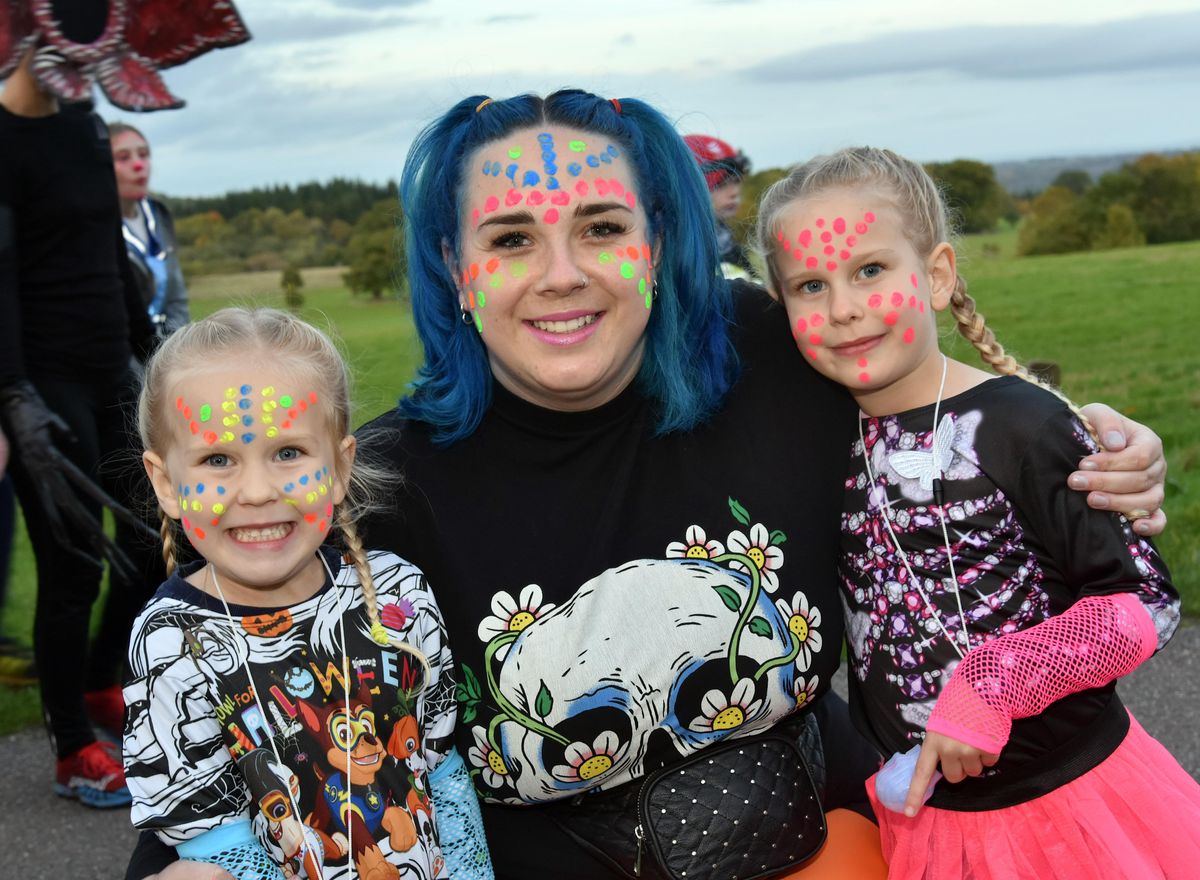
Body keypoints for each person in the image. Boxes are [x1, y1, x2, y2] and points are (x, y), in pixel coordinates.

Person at [127, 90, 1169, 880]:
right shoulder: (387, 494)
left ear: (660, 243)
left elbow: (952, 401)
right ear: (452, 264)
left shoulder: (775, 359)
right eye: (510, 239)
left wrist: (1096, 450)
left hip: (842, 844)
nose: (563, 272)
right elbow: (232, 714)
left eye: (602, 228)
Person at [754, 146, 1200, 878]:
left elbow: (1144, 604)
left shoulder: (1018, 423)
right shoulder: (820, 441)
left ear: (935, 275)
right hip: (931, 828)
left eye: (870, 270)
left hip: (1076, 812)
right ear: (782, 309)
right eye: (810, 284)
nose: (843, 308)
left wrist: (994, 682)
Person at [125, 307, 492, 880]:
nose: (256, 490)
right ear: (166, 482)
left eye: (288, 453)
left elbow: (443, 778)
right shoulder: (172, 645)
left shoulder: (397, 596)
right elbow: (218, 848)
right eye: (217, 460)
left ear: (341, 465)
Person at [0, 46, 161, 807]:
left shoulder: (86, 127)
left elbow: (107, 249)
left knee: (147, 541)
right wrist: (11, 395)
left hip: (107, 370)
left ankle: (101, 681)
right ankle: (70, 747)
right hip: (41, 379)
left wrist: (152, 351)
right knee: (73, 562)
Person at [110, 121, 191, 337]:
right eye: (123, 157)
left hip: (165, 352)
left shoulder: (158, 214)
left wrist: (174, 349)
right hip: (124, 358)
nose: (138, 165)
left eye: (144, 154)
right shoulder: (92, 227)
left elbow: (176, 297)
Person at [684, 133, 755, 278]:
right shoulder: (679, 255)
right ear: (691, 188)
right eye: (721, 184)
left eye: (736, 182)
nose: (734, 192)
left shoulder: (727, 245)